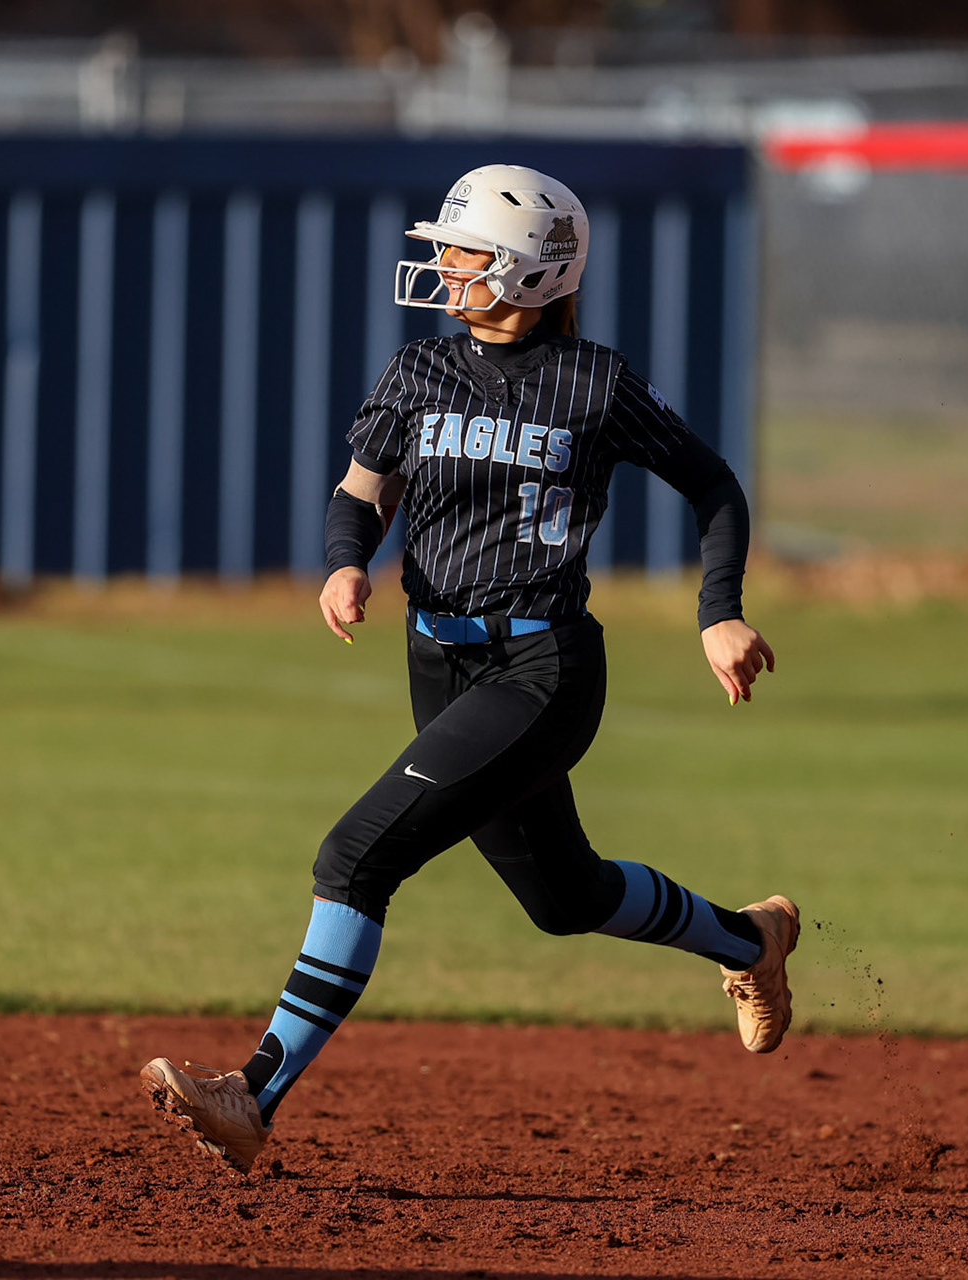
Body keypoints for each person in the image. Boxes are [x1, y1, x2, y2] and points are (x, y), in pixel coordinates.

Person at [141, 164, 795, 1174]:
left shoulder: (599, 383)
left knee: (355, 857)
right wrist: (346, 560)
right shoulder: (419, 371)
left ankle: (253, 1093)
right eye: (447, 247)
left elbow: (713, 484)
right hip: (437, 660)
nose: (446, 266)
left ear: (534, 272)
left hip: (542, 668)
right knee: (565, 895)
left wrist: (720, 613)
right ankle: (751, 941)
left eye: (469, 252)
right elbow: (360, 492)